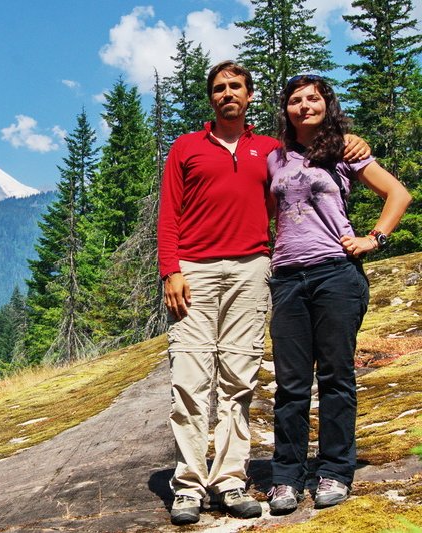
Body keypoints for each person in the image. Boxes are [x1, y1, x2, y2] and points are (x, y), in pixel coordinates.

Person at [157, 60, 370, 526]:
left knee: (239, 377)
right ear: (211, 98)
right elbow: (169, 212)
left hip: (254, 268)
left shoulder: (272, 150)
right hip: (193, 270)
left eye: (236, 86)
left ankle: (231, 479)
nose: (227, 93)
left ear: (249, 96)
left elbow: (304, 181)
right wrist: (170, 269)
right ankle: (189, 484)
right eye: (219, 88)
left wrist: (355, 141)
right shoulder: (186, 147)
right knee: (190, 379)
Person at [265, 75, 411, 515]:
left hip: (335, 274)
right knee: (290, 384)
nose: (304, 105)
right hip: (288, 277)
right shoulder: (275, 157)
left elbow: (397, 193)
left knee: (335, 377)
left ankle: (334, 471)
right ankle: (286, 478)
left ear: (327, 105)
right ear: (286, 109)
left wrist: (374, 239)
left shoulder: (345, 150)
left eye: (313, 98)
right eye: (295, 100)